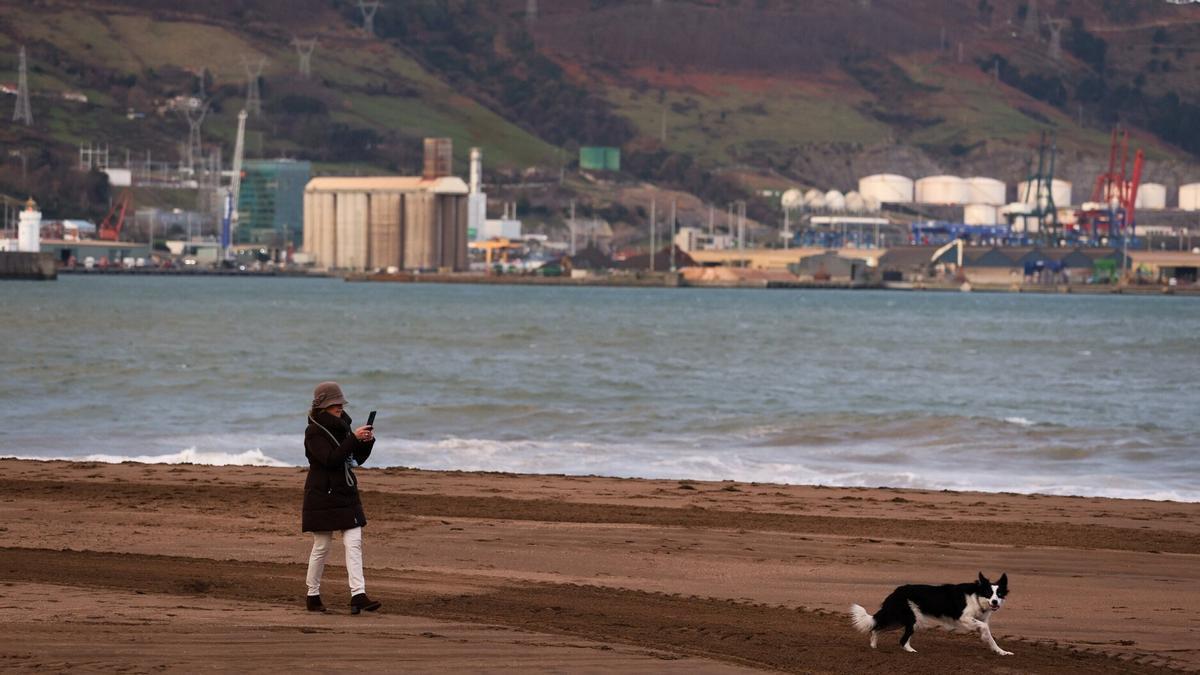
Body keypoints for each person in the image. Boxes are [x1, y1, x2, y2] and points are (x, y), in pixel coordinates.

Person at [302, 381, 381, 615]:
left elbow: (354, 460)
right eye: (334, 404)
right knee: (322, 546)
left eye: (340, 403)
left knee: (354, 542)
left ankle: (358, 595)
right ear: (322, 407)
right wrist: (353, 439)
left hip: (345, 492)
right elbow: (330, 460)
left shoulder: (344, 426)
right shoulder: (313, 432)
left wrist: (366, 443)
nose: (339, 407)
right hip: (321, 495)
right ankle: (312, 595)